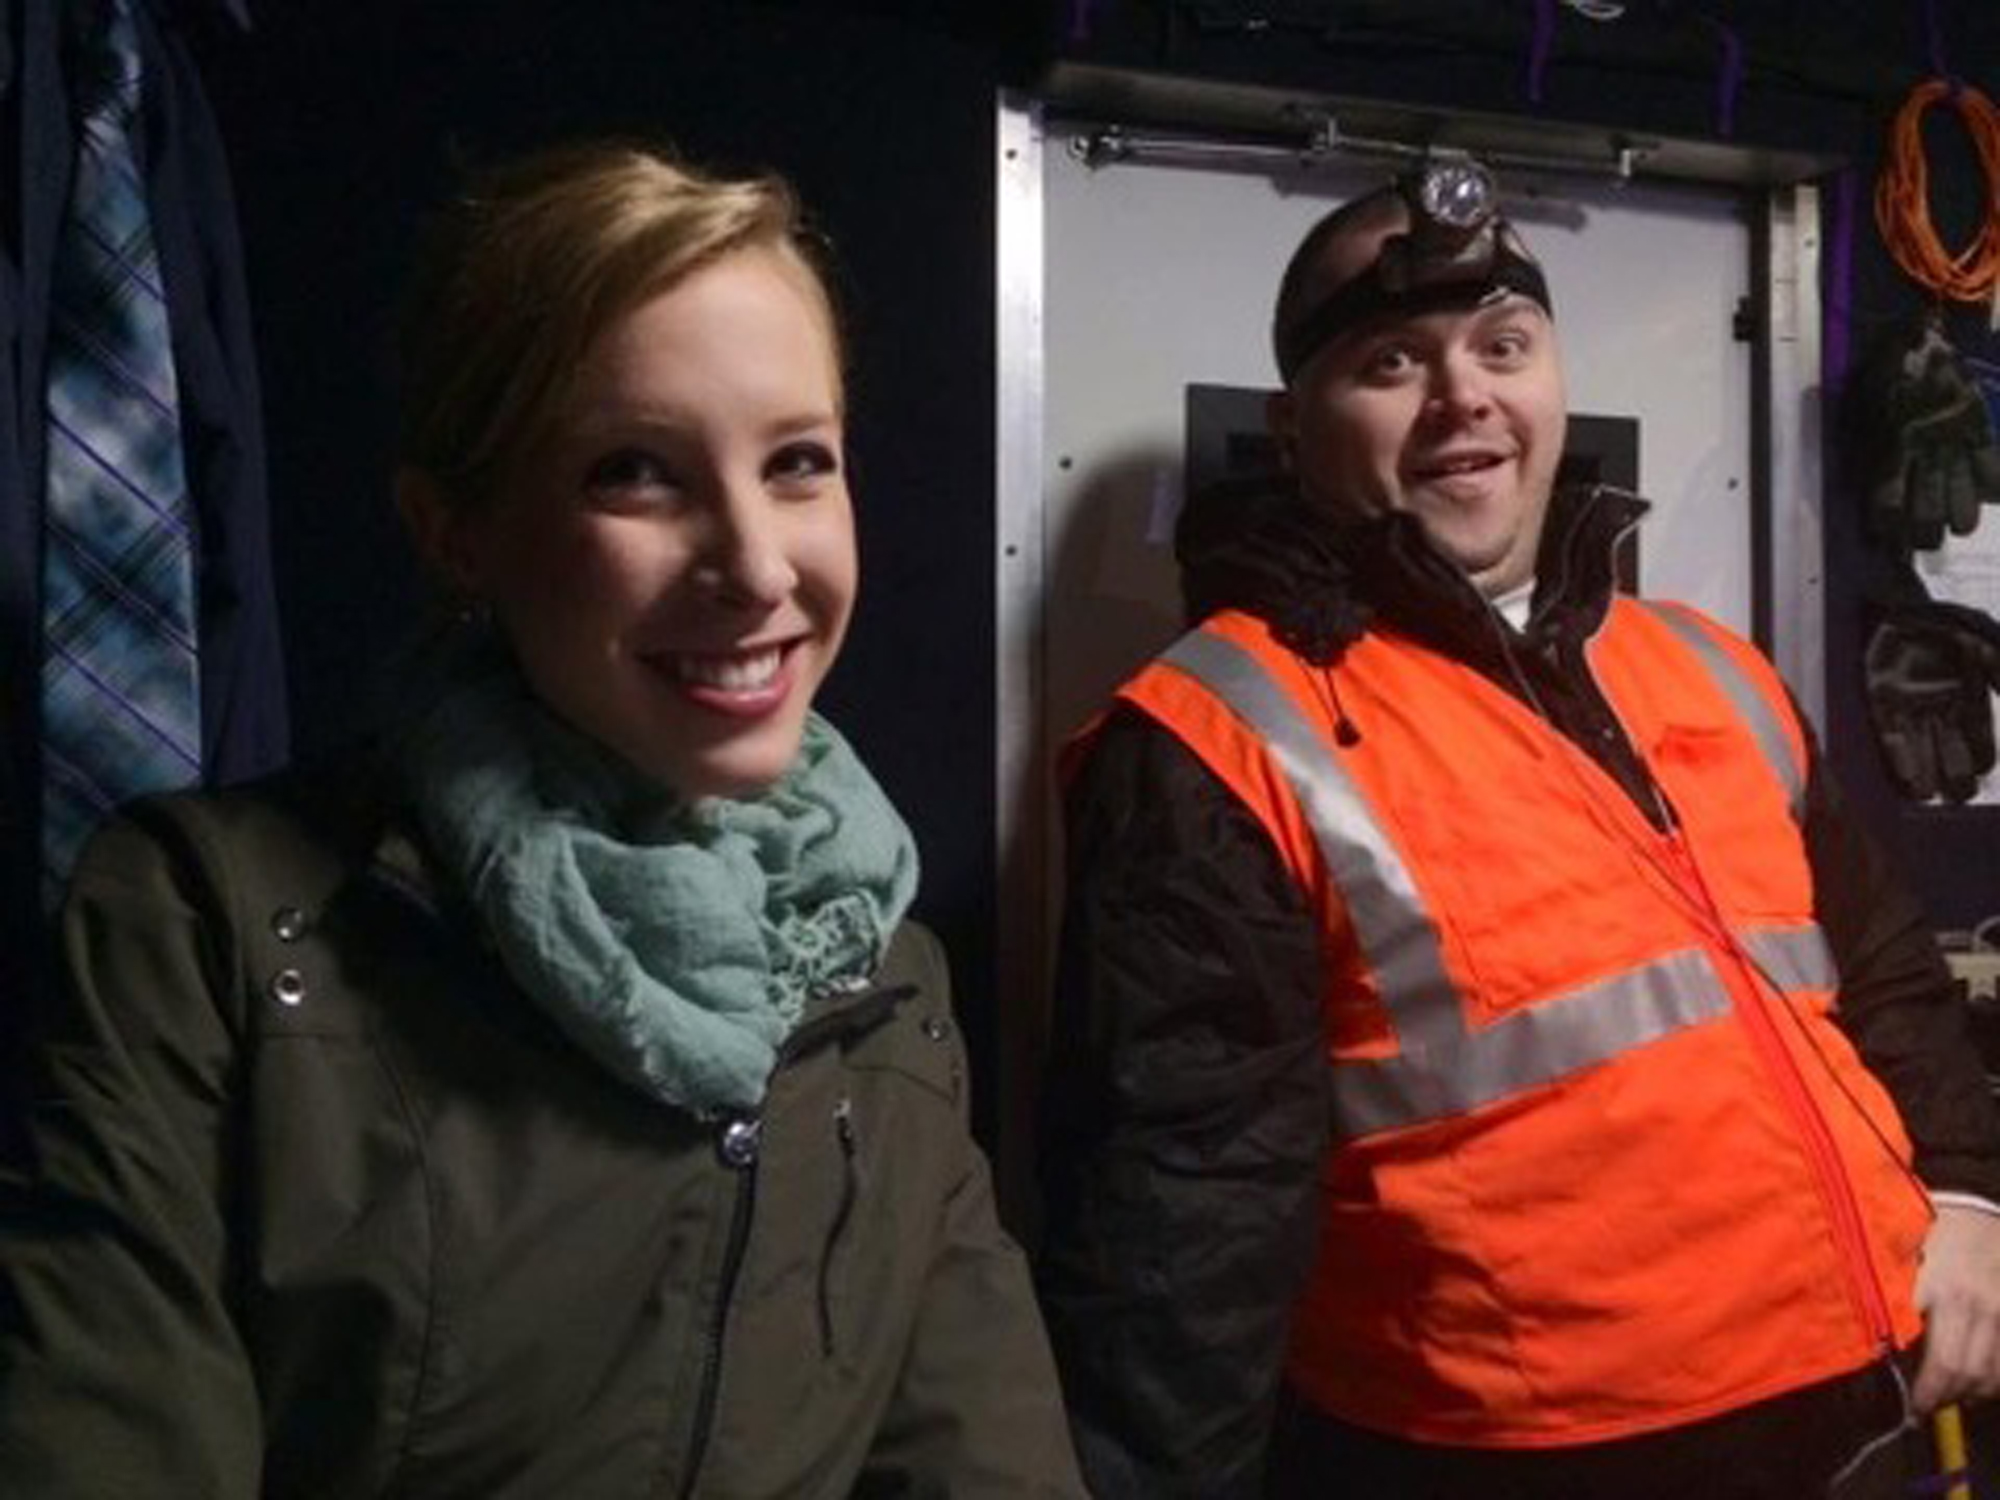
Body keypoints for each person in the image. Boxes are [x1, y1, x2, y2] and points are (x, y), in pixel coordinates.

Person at [0, 140, 1086, 1499]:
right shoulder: (202, 925)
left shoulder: (880, 972)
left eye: (798, 462)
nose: (757, 566)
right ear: (455, 530)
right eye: (636, 472)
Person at [1035, 159, 2000, 1499]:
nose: (1464, 396)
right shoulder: (1220, 735)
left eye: (1504, 346)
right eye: (1392, 362)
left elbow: (1883, 968)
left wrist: (1970, 1195)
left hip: (1878, 1418)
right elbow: (1178, 1239)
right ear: (1293, 427)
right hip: (1539, 1464)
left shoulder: (1708, 664)